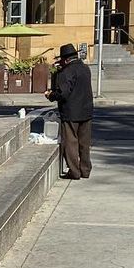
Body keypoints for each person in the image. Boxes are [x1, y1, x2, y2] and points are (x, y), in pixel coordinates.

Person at [49, 42, 93, 179]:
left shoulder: (66, 72)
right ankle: (85, 170)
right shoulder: (85, 68)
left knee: (71, 143)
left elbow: (63, 93)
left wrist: (50, 95)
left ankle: (74, 171)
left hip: (71, 112)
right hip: (86, 111)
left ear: (66, 59)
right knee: (84, 143)